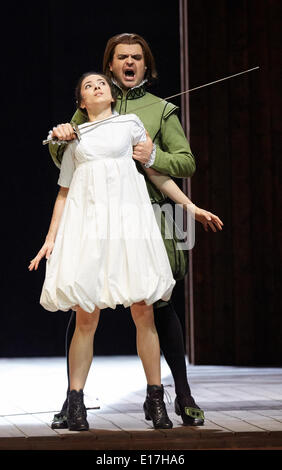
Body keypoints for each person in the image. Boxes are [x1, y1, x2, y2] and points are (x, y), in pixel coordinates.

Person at [47, 33, 222, 429]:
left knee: (155, 302)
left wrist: (157, 158)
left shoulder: (157, 111)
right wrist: (59, 138)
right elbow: (68, 159)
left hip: (148, 217)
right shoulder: (91, 104)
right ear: (109, 66)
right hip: (95, 219)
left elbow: (184, 162)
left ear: (146, 65)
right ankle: (72, 400)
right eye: (122, 58)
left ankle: (179, 394)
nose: (129, 63)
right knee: (84, 304)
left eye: (137, 58)